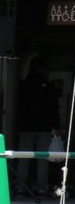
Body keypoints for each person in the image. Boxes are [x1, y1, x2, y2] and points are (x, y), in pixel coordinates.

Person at [16, 56, 61, 196]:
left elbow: (18, 106)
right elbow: (54, 108)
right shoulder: (48, 86)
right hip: (44, 128)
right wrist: (56, 126)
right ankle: (42, 187)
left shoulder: (23, 85)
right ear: (44, 70)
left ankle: (20, 187)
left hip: (25, 127)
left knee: (23, 159)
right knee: (43, 159)